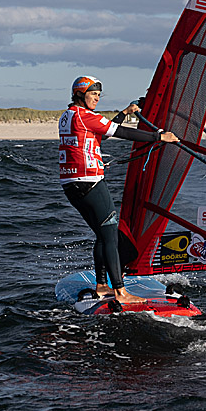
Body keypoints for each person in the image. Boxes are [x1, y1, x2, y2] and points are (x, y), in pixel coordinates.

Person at [58, 75, 178, 304]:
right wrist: (158, 136)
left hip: (70, 185)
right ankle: (121, 291)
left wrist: (124, 113)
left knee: (102, 234)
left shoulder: (68, 116)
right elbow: (121, 133)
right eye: (92, 94)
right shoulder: (86, 116)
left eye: (98, 95)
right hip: (90, 182)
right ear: (80, 94)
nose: (96, 98)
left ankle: (102, 285)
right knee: (111, 235)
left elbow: (101, 131)